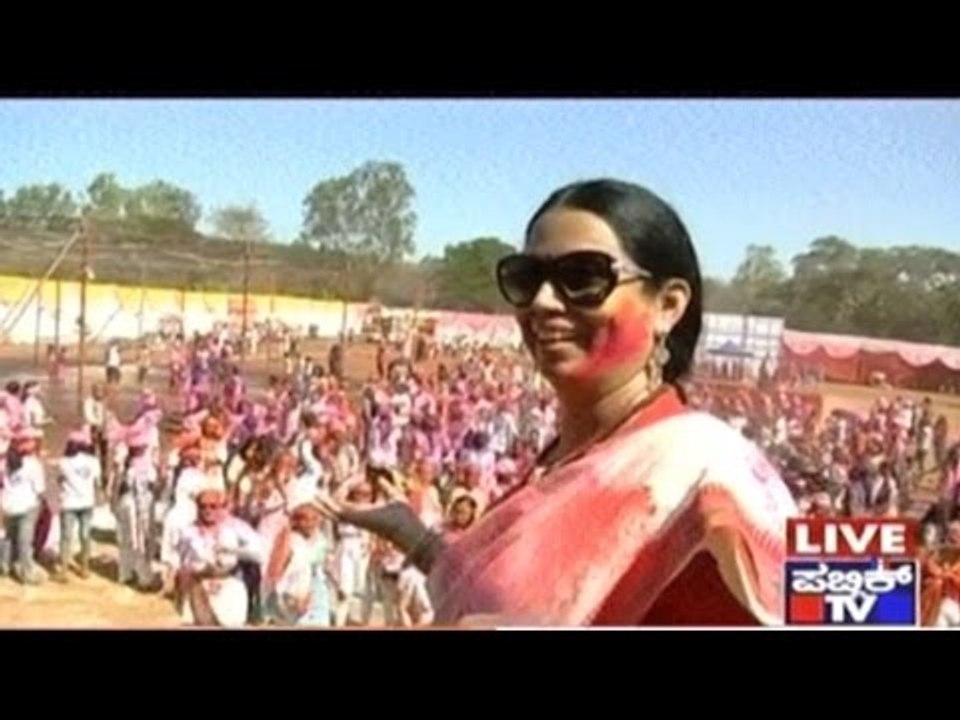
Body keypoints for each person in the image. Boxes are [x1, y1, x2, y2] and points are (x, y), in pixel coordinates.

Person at [321, 179, 798, 626]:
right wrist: (417, 538)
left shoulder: (704, 466)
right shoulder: (562, 458)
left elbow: (858, 606)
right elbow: (509, 598)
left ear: (668, 305)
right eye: (527, 278)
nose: (544, 302)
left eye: (583, 276)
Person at [54, 431, 101, 581]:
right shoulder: (93, 461)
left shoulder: (64, 462)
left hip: (68, 502)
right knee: (85, 536)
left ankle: (64, 570)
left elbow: (59, 480)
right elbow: (97, 483)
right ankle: (85, 568)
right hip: (87, 502)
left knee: (66, 537)